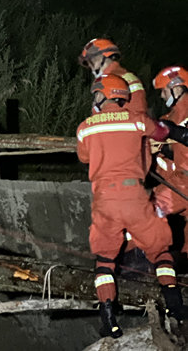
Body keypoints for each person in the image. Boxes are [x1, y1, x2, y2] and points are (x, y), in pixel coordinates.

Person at [76, 74, 188, 338]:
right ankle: (174, 305)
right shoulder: (137, 120)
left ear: (103, 95)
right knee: (160, 249)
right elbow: (162, 131)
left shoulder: (85, 127)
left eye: (96, 95)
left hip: (104, 200)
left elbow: (83, 157)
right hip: (134, 196)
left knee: (104, 259)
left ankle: (109, 319)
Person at [151, 66, 188, 256]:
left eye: (164, 90)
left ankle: (141, 262)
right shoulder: (167, 118)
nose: (162, 96)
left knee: (148, 213)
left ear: (177, 87)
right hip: (173, 181)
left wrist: (173, 131)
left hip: (182, 183)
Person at [79, 38, 147, 113]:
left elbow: (138, 112)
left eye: (91, 62)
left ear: (102, 57)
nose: (91, 67)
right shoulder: (126, 77)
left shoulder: (120, 79)